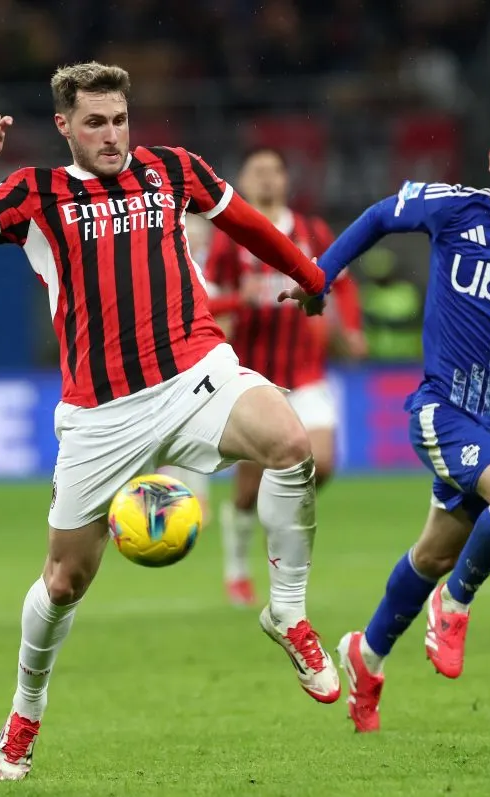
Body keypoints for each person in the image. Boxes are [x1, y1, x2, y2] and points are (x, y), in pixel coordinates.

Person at [0, 61, 340, 781]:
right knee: (63, 581)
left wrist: (310, 276)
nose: (112, 135)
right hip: (101, 413)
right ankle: (25, 711)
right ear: (64, 126)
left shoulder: (172, 171)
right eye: (95, 123)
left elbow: (244, 225)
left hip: (193, 374)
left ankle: (288, 613)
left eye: (119, 119)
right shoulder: (36, 193)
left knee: (290, 441)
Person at [281, 105, 490, 732]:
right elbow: (381, 215)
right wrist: (319, 275)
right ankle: (453, 607)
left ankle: (367, 655)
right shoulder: (454, 207)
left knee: (433, 554)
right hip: (444, 409)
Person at [201, 146, 365, 607]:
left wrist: (350, 328)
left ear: (287, 180)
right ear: (243, 182)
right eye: (258, 172)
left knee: (324, 463)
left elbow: (343, 283)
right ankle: (236, 570)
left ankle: (279, 524)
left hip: (308, 371)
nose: (268, 179)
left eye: (276, 170)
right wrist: (239, 301)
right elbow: (206, 304)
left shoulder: (312, 232)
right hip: (253, 377)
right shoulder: (228, 240)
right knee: (248, 489)